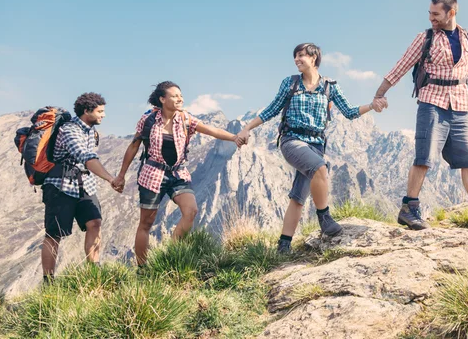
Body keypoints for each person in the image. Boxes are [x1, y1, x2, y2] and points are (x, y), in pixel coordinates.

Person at [372, 0, 468, 230]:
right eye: (429, 13)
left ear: (451, 12)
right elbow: (401, 65)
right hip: (431, 102)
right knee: (424, 157)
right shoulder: (425, 38)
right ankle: (409, 209)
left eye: (436, 14)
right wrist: (380, 93)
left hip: (460, 105)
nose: (431, 18)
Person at [237, 43, 379, 254]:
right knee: (320, 169)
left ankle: (283, 246)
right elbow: (272, 109)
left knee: (298, 197)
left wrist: (372, 105)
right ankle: (324, 218)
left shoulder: (330, 87)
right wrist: (247, 127)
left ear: (314, 58)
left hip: (316, 144)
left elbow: (349, 112)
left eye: (301, 55)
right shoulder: (290, 83)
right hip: (292, 140)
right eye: (295, 56)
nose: (297, 60)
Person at [112, 81, 243, 267]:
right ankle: (142, 269)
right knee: (146, 224)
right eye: (174, 96)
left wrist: (234, 137)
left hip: (178, 173)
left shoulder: (185, 119)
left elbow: (211, 130)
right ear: (162, 99)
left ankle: (172, 257)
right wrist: (121, 175)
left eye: (180, 95)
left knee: (191, 211)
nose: (180, 98)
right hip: (152, 174)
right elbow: (134, 145)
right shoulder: (148, 119)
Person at [41, 92, 122, 282]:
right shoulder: (69, 130)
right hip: (60, 187)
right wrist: (110, 179)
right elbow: (85, 157)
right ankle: (48, 282)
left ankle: (94, 274)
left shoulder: (91, 132)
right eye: (100, 111)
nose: (104, 115)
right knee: (54, 234)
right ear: (87, 111)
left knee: (95, 223)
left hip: (85, 185)